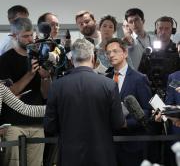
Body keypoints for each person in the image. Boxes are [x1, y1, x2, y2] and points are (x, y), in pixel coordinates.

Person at [44, 38, 126, 166]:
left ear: (71, 60)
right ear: (93, 58)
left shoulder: (57, 86)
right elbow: (118, 123)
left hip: (69, 156)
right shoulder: (109, 85)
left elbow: (50, 126)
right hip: (102, 156)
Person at [0, 17, 51, 166]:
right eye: (25, 36)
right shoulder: (5, 60)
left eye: (31, 35)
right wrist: (30, 74)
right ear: (14, 36)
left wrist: (45, 78)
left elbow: (46, 94)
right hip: (13, 124)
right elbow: (7, 93)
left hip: (37, 124)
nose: (30, 39)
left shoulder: (41, 57)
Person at [105, 38, 153, 166]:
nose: (111, 55)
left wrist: (126, 123)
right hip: (109, 143)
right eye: (108, 53)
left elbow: (148, 111)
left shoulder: (139, 79)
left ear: (125, 53)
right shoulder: (104, 79)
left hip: (133, 143)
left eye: (115, 51)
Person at [139, 16, 180, 99]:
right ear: (156, 30)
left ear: (172, 31)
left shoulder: (177, 51)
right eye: (160, 28)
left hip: (173, 95)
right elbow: (141, 75)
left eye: (167, 28)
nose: (163, 32)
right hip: (151, 95)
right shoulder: (148, 52)